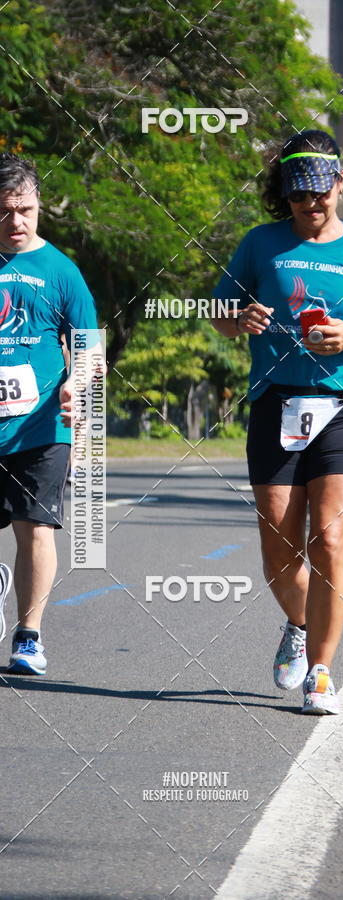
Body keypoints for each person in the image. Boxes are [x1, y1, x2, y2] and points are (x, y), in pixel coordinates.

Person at [210, 130, 343, 714]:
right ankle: (299, 622)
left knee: (330, 539)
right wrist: (237, 317)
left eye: (320, 194)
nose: (310, 205)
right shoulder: (260, 244)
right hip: (275, 404)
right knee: (277, 548)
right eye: (299, 196)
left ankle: (321, 672)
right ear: (286, 195)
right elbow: (219, 312)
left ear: (340, 186)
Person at [0, 152, 99, 674]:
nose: (16, 222)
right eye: (4, 211)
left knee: (34, 528)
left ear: (38, 208)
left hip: (41, 426)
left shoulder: (61, 271)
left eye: (25, 210)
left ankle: (29, 635)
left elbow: (89, 343)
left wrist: (78, 383)